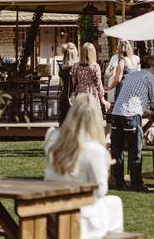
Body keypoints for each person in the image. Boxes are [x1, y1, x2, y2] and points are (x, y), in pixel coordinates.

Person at [45, 94, 124, 237]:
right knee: (115, 203)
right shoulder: (94, 150)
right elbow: (100, 190)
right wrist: (104, 166)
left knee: (113, 203)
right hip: (80, 215)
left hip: (52, 209)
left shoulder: (51, 137)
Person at [108, 56, 154, 192]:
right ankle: (137, 184)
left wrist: (144, 110)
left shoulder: (131, 76)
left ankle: (119, 183)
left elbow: (131, 96)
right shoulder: (151, 78)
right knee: (135, 150)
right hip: (131, 116)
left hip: (117, 114)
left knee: (117, 151)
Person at [71, 42, 109, 114]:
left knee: (80, 115)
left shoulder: (76, 66)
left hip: (80, 92)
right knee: (92, 115)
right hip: (92, 92)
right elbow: (98, 83)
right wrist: (102, 98)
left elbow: (74, 82)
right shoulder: (95, 66)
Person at [58, 42, 79, 123]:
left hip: (65, 95)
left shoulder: (62, 68)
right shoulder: (79, 67)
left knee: (64, 119)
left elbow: (61, 84)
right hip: (77, 95)